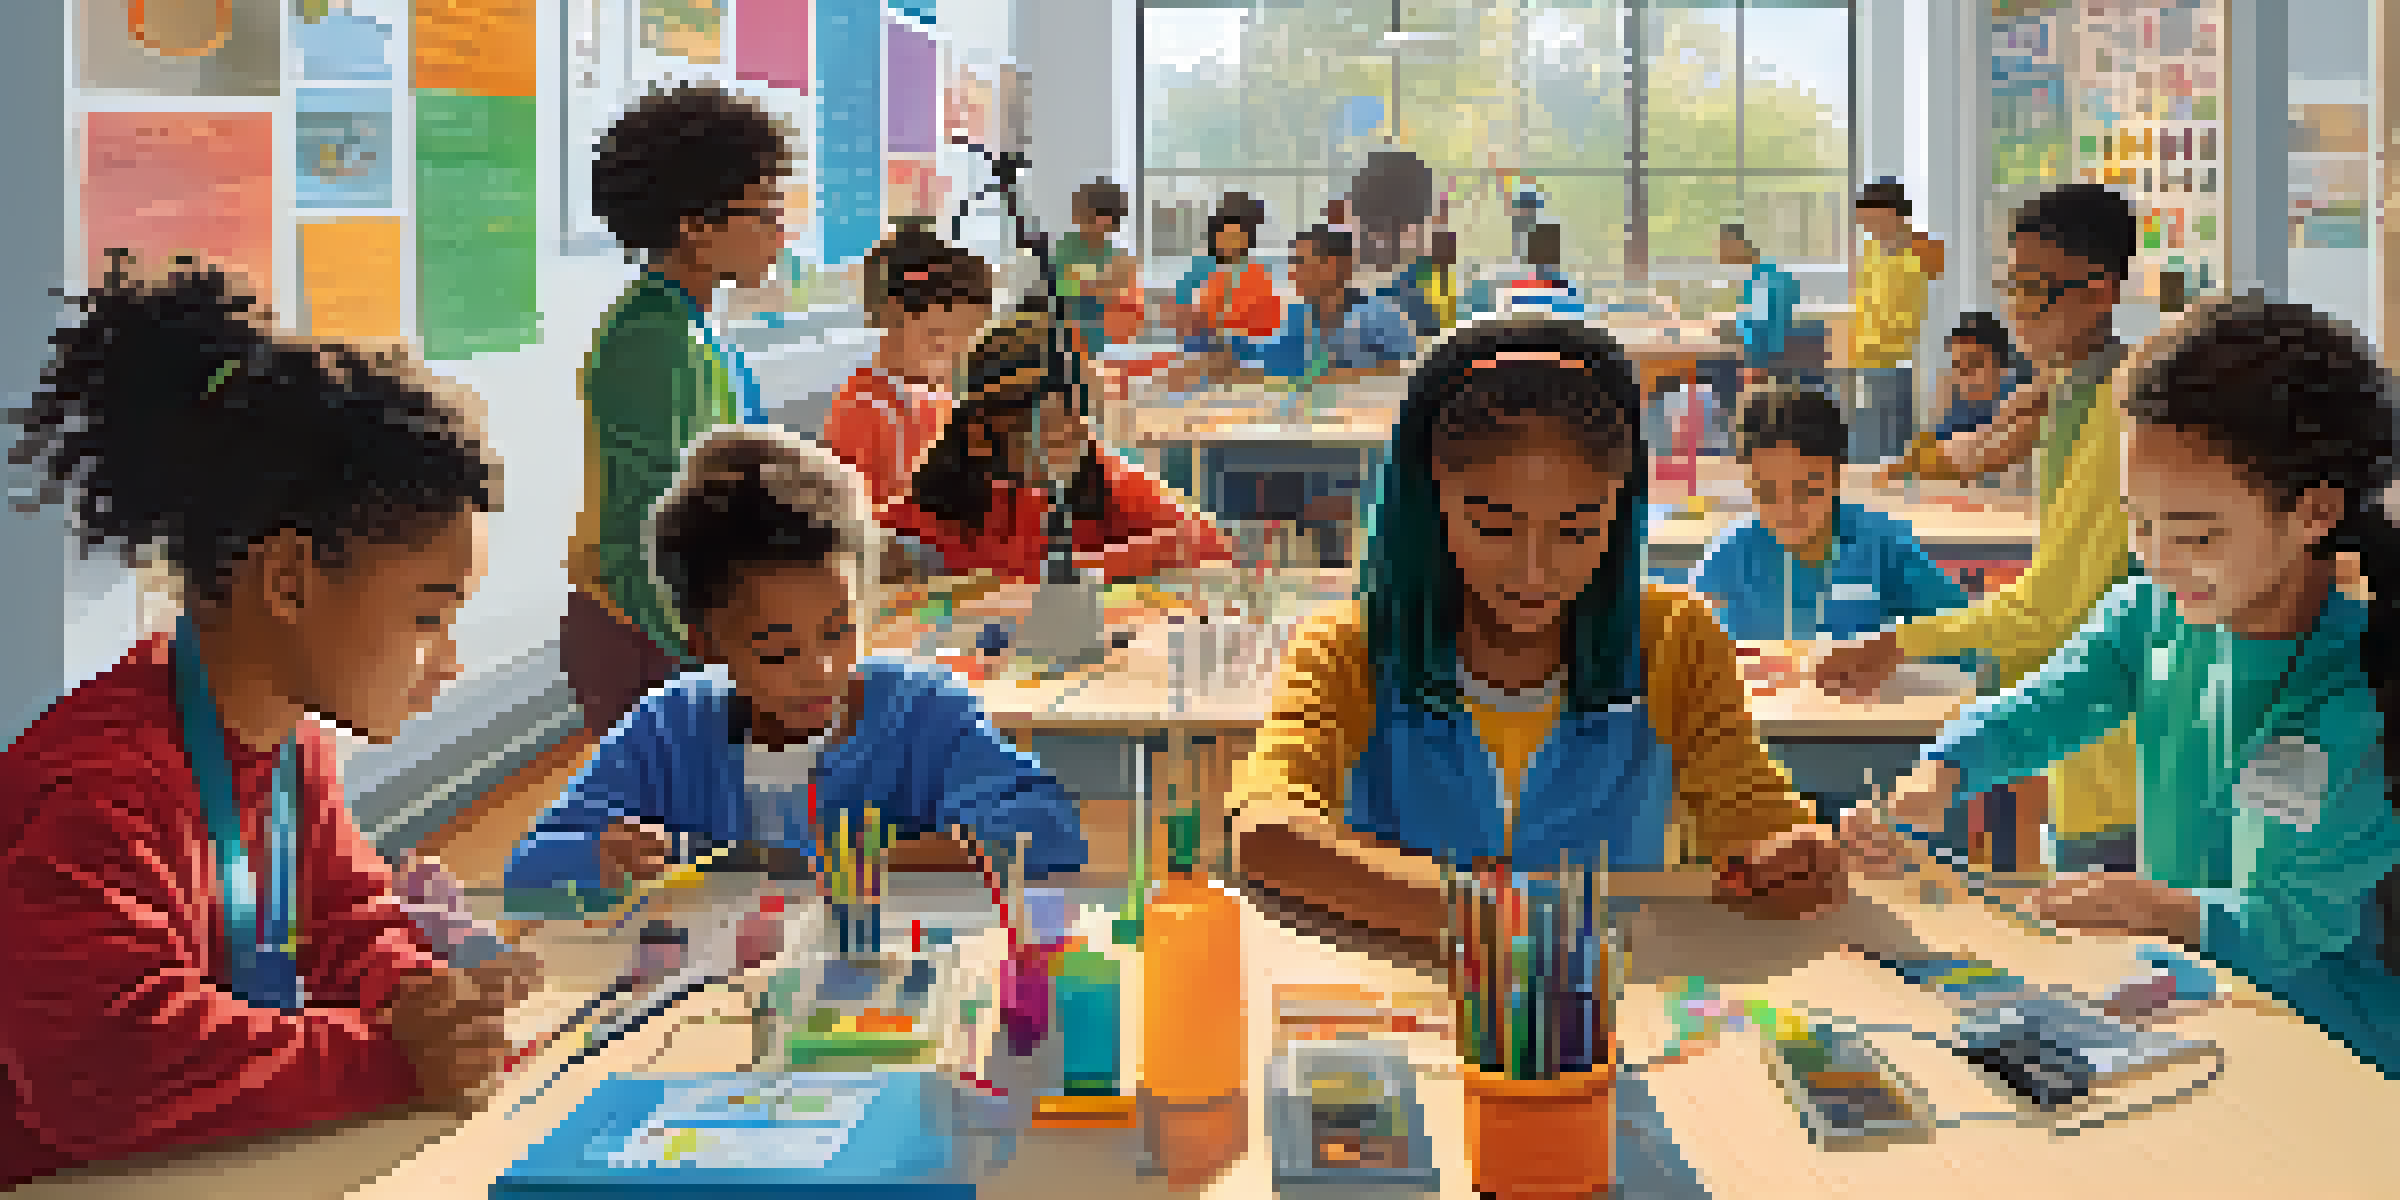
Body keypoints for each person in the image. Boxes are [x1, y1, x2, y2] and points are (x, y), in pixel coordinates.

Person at [0, 263, 531, 1185]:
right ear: (287, 582)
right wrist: (389, 1058)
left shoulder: (287, 743)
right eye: (425, 615)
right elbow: (111, 1063)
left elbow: (347, 914)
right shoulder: (103, 787)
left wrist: (414, 995)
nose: (449, 660)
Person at [1842, 296, 2400, 1079]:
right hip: (2211, 1028)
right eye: (2141, 523)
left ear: (2313, 512)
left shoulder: (2364, 688)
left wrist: (2154, 908)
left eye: (2198, 534)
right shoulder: (2155, 614)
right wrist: (1936, 781)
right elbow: (2043, 709)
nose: (2162, 560)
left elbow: (2288, 927)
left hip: (2343, 1067)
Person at [1231, 318, 1848, 958]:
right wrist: (1510, 920)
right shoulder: (1348, 649)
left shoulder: (1674, 641)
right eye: (1495, 528)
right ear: (1431, 500)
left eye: (1577, 531)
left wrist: (1792, 858)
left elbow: (1758, 820)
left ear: (1622, 509)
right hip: (1411, 1022)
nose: (1535, 571)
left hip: (1607, 1022)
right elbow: (1270, 834)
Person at [506, 428, 1088, 890]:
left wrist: (864, 861)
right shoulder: (669, 728)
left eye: (839, 633)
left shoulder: (920, 712)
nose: (821, 671)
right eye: (780, 652)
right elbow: (529, 864)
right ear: (707, 646)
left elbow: (1049, 832)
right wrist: (603, 856)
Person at [1819, 183, 2142, 875]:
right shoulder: (2064, 394)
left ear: (2102, 290)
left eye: (2039, 290)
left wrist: (1901, 644)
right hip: (2081, 748)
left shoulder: (2118, 411)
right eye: (2012, 287)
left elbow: (2056, 605)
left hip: (2116, 764)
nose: (2018, 311)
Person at [566, 82, 796, 741]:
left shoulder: (690, 325)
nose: (780, 234)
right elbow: (641, 527)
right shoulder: (655, 340)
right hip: (650, 636)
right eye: (767, 214)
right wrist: (710, 655)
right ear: (696, 227)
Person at [880, 304, 1235, 582]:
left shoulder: (1106, 477)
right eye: (1050, 428)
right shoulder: (943, 498)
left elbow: (1207, 545)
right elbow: (867, 547)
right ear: (981, 434)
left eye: (1080, 418)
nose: (1077, 437)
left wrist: (1095, 568)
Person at [1690, 382, 1968, 644]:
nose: (1787, 510)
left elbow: (1959, 630)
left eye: (1806, 490)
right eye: (1767, 493)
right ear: (1749, 483)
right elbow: (1685, 650)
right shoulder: (1726, 561)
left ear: (1835, 477)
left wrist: (1899, 647)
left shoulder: (1880, 544)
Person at [820, 229, 996, 508]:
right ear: (890, 314)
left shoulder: (939, 399)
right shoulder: (865, 409)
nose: (956, 354)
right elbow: (868, 519)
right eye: (938, 336)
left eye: (968, 339)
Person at [1878, 312, 2043, 486]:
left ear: (2002, 365)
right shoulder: (1961, 407)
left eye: (1975, 363)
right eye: (1958, 365)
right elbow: (1933, 447)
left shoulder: (2021, 400)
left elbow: (1990, 454)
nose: (1963, 375)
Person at [1238, 226, 1418, 386]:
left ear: (1338, 266)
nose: (1293, 274)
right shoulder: (1298, 317)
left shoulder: (1384, 317)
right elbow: (1265, 362)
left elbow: (1405, 373)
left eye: (1302, 262)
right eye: (1292, 264)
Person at [1846, 179, 1941, 464]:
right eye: (1864, 219)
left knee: (1896, 434)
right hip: (1867, 356)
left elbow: (1937, 304)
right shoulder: (1871, 251)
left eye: (1871, 218)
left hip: (1905, 358)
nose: (1867, 226)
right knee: (1870, 435)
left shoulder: (1926, 250)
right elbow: (1863, 303)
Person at [1171, 192, 1282, 355]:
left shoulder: (1257, 274)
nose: (1230, 243)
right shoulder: (1205, 270)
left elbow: (1265, 323)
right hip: (1207, 344)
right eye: (1225, 236)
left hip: (1245, 347)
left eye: (1236, 237)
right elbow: (1186, 310)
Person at [1053, 179, 1137, 357]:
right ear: (1082, 214)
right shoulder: (1066, 247)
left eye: (1111, 215)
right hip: (1069, 334)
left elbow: (1125, 294)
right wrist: (1104, 283)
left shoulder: (1115, 253)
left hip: (1106, 336)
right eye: (1099, 214)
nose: (1103, 221)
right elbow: (1067, 289)